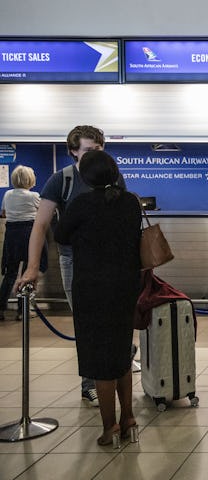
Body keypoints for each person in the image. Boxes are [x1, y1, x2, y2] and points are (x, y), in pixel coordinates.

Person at [16, 125, 125, 407]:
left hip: (109, 260)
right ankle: (90, 382)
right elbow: (40, 225)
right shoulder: (60, 179)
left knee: (113, 321)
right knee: (86, 322)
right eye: (88, 150)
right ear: (73, 151)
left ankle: (113, 370)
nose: (94, 155)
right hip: (74, 260)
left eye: (99, 150)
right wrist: (31, 267)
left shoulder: (113, 177)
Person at [52, 150, 141, 447]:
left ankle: (109, 427)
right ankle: (129, 418)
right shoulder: (130, 202)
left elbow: (62, 236)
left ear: (85, 177)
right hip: (126, 287)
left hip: (92, 289)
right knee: (121, 353)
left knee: (100, 359)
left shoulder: (80, 204)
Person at [1, 166, 48, 320]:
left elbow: (4, 213)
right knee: (26, 273)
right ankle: (22, 311)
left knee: (10, 273)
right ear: (30, 179)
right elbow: (44, 212)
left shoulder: (7, 194)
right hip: (29, 234)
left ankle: (1, 309)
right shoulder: (33, 195)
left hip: (11, 235)